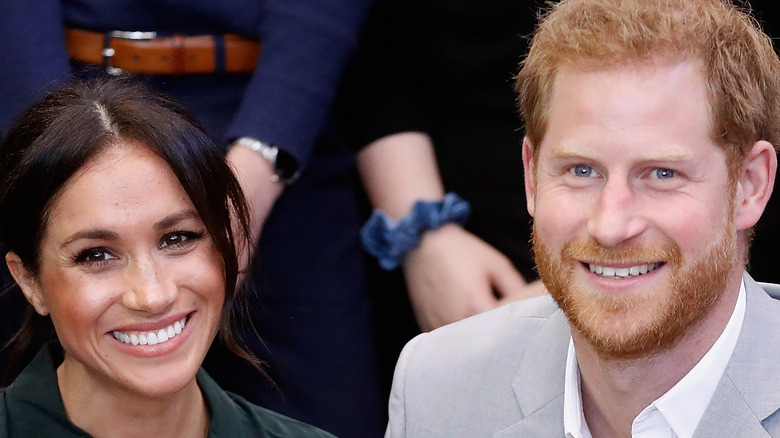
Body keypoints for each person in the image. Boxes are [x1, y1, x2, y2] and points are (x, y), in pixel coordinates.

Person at [385, 0, 780, 436]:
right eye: (582, 171)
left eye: (662, 174)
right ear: (531, 176)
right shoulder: (434, 387)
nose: (610, 226)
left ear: (750, 185)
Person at [0, 2, 383, 436]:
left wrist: (261, 162)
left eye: (178, 238)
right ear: (27, 278)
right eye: (97, 254)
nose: (152, 295)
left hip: (287, 119)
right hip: (59, 100)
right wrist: (54, 146)